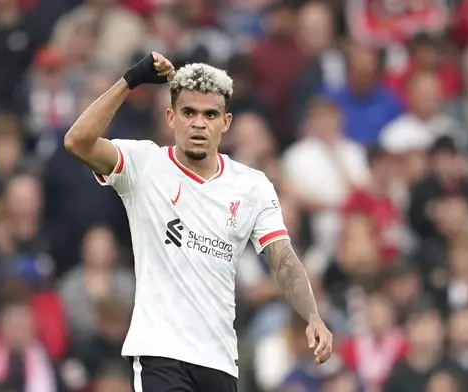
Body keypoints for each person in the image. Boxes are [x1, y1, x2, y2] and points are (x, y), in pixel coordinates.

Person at [63, 52, 333, 392]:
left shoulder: (252, 186)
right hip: (160, 353)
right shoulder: (144, 164)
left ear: (226, 122)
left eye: (210, 114)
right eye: (188, 112)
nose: (199, 123)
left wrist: (312, 314)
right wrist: (129, 81)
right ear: (171, 117)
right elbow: (77, 141)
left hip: (219, 359)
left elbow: (282, 257)